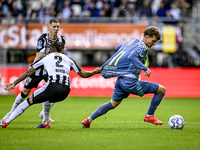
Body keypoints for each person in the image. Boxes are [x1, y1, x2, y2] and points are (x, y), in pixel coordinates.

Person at [1, 41, 102, 128]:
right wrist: (95, 71)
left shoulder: (47, 57)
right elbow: (83, 74)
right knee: (48, 98)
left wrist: (14, 82)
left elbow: (29, 72)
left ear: (50, 50)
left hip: (53, 86)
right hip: (66, 91)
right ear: (62, 50)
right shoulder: (69, 59)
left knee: (29, 100)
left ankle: (6, 121)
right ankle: (45, 122)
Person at [82, 26, 166, 128]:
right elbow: (131, 57)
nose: (154, 44)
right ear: (147, 37)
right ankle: (149, 115)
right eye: (153, 41)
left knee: (112, 104)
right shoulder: (143, 46)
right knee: (161, 90)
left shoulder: (132, 42)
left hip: (120, 80)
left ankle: (88, 120)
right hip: (130, 82)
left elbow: (117, 47)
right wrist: (145, 68)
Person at [2, 18, 66, 123]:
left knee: (58, 90)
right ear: (49, 27)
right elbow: (39, 56)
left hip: (50, 70)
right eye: (54, 26)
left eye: (58, 26)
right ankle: (11, 112)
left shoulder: (62, 39)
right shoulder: (43, 38)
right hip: (37, 69)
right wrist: (53, 55)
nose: (56, 29)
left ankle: (45, 114)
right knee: (25, 92)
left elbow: (62, 54)